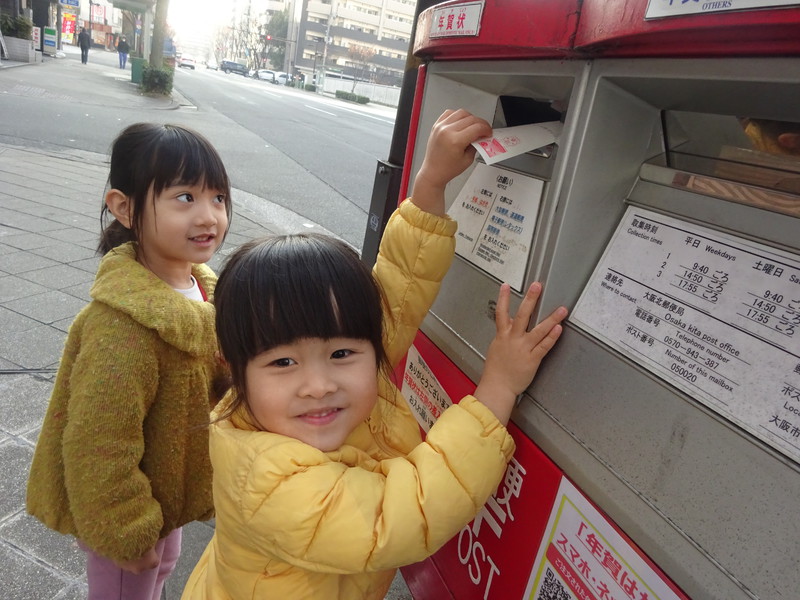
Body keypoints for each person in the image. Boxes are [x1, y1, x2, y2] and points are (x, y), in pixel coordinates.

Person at [181, 109, 569, 600]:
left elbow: (394, 295)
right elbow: (402, 513)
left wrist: (431, 184)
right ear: (232, 368)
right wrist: (498, 387)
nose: (319, 383)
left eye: (341, 351)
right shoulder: (270, 482)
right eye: (283, 363)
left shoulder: (324, 383)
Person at [26, 123, 233, 600]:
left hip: (166, 496)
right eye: (184, 198)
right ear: (124, 207)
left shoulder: (203, 287)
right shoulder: (123, 328)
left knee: (161, 572)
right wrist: (126, 528)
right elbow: (98, 444)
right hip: (127, 511)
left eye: (218, 197)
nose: (209, 216)